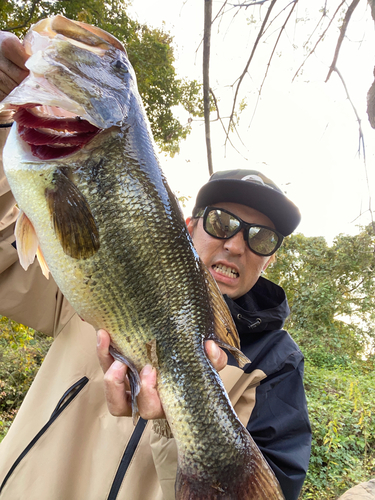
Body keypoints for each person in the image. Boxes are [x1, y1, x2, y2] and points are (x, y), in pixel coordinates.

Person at [0, 31, 311, 500]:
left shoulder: (276, 365)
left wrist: (171, 427)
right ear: (188, 225)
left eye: (260, 236)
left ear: (270, 256)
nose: (235, 245)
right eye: (222, 221)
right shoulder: (88, 279)